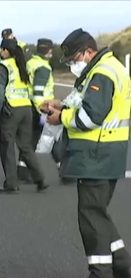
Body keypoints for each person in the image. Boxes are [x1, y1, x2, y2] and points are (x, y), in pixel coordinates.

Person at [43, 28, 131, 278]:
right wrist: (61, 105)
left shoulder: (102, 73)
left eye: (73, 60)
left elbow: (91, 116)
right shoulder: (106, 68)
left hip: (97, 155)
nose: (72, 65)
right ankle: (121, 262)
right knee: (98, 212)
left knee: (90, 215)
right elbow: (87, 104)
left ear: (88, 52)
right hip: (105, 154)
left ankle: (100, 272)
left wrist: (61, 117)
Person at [0, 38, 49, 194]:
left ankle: (11, 183)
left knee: (7, 146)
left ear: (5, 51)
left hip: (11, 110)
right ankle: (40, 178)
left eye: (1, 49)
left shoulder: (3, 66)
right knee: (25, 147)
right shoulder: (21, 65)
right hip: (26, 109)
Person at [17, 38, 62, 183]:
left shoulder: (30, 63)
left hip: (28, 105)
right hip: (41, 108)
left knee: (31, 140)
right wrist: (44, 110)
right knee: (52, 137)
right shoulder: (43, 67)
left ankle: (22, 170)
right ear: (48, 50)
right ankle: (64, 171)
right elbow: (38, 91)